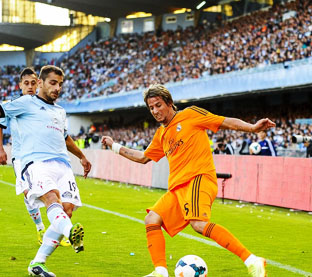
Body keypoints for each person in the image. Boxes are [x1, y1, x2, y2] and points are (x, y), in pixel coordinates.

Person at [101, 84, 274, 277]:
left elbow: (224, 121)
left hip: (199, 178)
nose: (155, 111)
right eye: (151, 108)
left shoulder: (190, 114)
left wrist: (252, 128)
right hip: (178, 188)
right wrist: (114, 146)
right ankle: (160, 272)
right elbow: (142, 158)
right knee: (151, 219)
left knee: (198, 223)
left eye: (158, 105)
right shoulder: (161, 134)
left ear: (170, 103)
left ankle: (252, 261)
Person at [0, 65, 91, 277]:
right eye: (52, 83)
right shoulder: (25, 103)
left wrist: (82, 157)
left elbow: (65, 138)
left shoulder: (60, 111)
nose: (57, 88)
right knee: (51, 199)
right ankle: (70, 232)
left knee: (67, 210)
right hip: (35, 162)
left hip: (63, 164)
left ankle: (37, 264)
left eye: (60, 84)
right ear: (41, 83)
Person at [0, 67, 69, 247]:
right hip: (21, 158)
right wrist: (0, 149)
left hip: (43, 157)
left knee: (55, 193)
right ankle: (41, 227)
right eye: (26, 83)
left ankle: (59, 228)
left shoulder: (43, 106)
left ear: (39, 84)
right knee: (30, 193)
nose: (30, 86)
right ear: (20, 85)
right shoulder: (16, 104)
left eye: (33, 83)